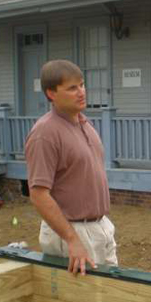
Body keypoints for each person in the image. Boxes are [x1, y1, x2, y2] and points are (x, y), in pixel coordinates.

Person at [25, 59, 118, 275]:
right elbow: (38, 195)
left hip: (100, 227)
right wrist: (72, 240)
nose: (81, 92)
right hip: (72, 232)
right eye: (72, 88)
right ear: (51, 94)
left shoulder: (84, 123)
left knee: (110, 298)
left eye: (82, 85)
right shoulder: (45, 134)